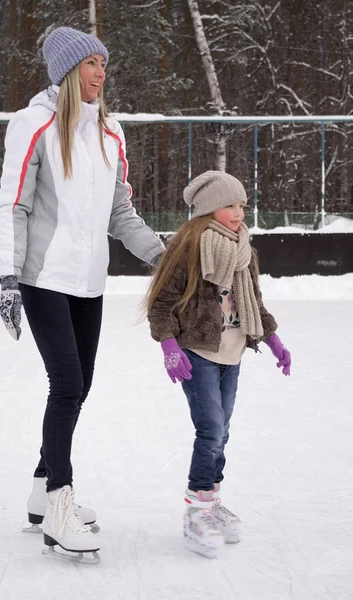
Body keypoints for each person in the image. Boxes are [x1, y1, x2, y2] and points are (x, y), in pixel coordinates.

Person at [0, 26, 164, 558]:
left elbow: (120, 212)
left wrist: (164, 256)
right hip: (43, 277)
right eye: (91, 63)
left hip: (89, 280)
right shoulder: (33, 125)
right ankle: (60, 505)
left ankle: (43, 488)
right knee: (66, 385)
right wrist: (8, 277)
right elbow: (13, 203)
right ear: (68, 71)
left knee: (80, 385)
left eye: (103, 64)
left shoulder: (110, 133)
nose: (101, 73)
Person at [145, 171, 291, 559]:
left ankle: (211, 499)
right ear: (209, 208)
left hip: (233, 353)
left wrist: (272, 339)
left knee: (222, 430)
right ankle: (197, 509)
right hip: (198, 353)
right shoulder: (187, 248)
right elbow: (161, 302)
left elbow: (253, 302)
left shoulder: (244, 249)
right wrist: (169, 345)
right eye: (230, 205)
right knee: (210, 428)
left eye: (242, 205)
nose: (238, 212)